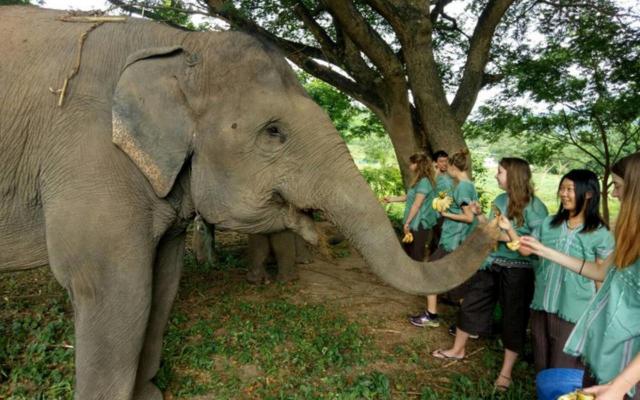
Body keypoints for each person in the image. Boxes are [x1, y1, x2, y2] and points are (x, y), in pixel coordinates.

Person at [520, 152, 640, 400]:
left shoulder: (602, 232)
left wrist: (618, 387)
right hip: (605, 356)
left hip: (629, 372)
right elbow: (598, 271)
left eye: (618, 187)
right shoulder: (629, 236)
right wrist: (543, 250)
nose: (615, 194)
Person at [431, 157, 547, 392]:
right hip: (491, 265)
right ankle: (457, 350)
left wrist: (504, 234)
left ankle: (505, 373)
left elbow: (533, 245)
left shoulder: (536, 208)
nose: (496, 175)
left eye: (500, 172)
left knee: (513, 319)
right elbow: (488, 230)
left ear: (513, 177)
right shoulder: (500, 200)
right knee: (470, 304)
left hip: (518, 271)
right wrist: (481, 214)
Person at [409, 148, 477, 328]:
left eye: (449, 165)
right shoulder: (469, 185)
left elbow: (468, 216)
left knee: (431, 271)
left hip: (453, 241)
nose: (447, 168)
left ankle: (433, 317)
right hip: (457, 240)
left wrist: (445, 213)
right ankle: (468, 325)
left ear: (454, 167)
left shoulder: (462, 187)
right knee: (455, 283)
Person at [383, 152, 439, 262]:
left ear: (418, 165)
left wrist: (407, 223)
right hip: (413, 223)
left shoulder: (424, 182)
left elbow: (416, 205)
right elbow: (408, 197)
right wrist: (391, 199)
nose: (410, 166)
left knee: (416, 254)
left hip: (418, 224)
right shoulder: (418, 181)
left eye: (412, 163)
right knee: (408, 252)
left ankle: (419, 278)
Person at [430, 150, 454, 254]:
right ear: (435, 163)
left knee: (444, 239)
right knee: (440, 240)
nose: (444, 163)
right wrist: (435, 172)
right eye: (441, 161)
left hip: (451, 212)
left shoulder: (449, 175)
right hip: (439, 213)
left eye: (446, 161)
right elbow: (429, 189)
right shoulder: (432, 176)